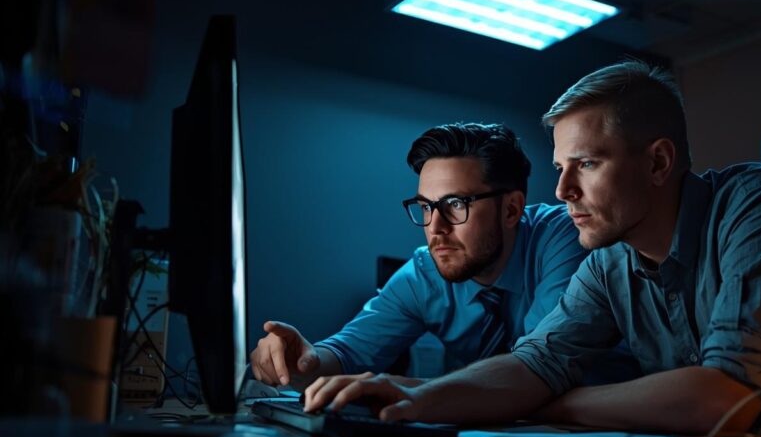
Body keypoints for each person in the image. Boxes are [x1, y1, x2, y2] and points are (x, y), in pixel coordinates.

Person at [302, 61, 761, 437]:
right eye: (560, 168)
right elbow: (533, 366)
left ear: (659, 162)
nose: (562, 190)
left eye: (586, 163)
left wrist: (546, 403)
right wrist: (411, 399)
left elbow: (722, 398)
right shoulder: (610, 263)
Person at [249, 122, 638, 390]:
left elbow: (536, 372)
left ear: (511, 209)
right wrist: (303, 360)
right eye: (425, 207)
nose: (435, 227)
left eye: (455, 204)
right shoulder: (424, 273)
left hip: (618, 430)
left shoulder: (566, 236)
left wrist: (415, 391)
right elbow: (347, 353)